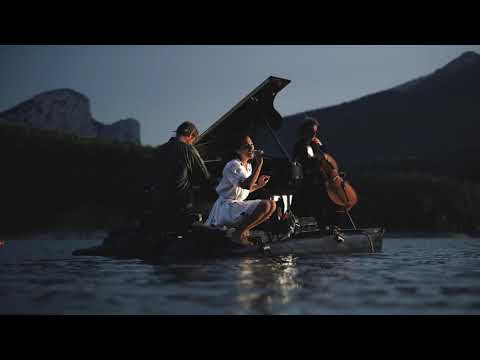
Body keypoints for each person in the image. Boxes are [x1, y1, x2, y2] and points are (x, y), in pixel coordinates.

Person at [204, 135, 276, 245]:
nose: (251, 148)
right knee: (265, 205)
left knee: (272, 205)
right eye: (247, 146)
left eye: (252, 145)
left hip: (237, 203)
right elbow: (246, 185)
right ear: (238, 150)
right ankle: (239, 234)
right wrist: (259, 164)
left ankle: (242, 232)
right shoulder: (233, 165)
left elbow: (243, 191)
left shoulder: (248, 166)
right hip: (226, 207)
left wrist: (259, 186)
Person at [148, 121, 212, 231]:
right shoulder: (188, 149)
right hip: (181, 206)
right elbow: (205, 178)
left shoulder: (157, 150)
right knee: (213, 209)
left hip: (157, 205)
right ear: (191, 136)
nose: (193, 143)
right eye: (194, 141)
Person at [291, 118, 341, 232]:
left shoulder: (316, 144)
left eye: (315, 131)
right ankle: (322, 227)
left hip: (321, 178)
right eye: (311, 131)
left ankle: (331, 226)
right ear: (305, 131)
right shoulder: (300, 145)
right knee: (318, 203)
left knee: (330, 201)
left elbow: (325, 159)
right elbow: (298, 163)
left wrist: (322, 147)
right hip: (308, 180)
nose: (314, 134)